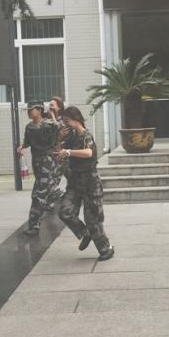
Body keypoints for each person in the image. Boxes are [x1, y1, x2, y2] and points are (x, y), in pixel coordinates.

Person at [55, 106, 114, 261]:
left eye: (67, 121)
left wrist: (69, 152)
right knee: (65, 212)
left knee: (92, 220)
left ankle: (106, 249)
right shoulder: (70, 137)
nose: (66, 125)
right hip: (74, 183)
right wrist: (59, 140)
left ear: (76, 119)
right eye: (64, 122)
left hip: (90, 184)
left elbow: (89, 152)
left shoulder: (86, 135)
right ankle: (84, 233)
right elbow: (58, 153)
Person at [16, 102, 63, 236]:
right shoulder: (29, 127)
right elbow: (27, 142)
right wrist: (22, 147)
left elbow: (61, 130)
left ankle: (34, 225)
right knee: (45, 191)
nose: (28, 112)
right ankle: (57, 195)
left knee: (37, 195)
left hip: (48, 162)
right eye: (28, 109)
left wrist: (52, 114)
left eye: (31, 109)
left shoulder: (49, 125)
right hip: (36, 162)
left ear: (39, 110)